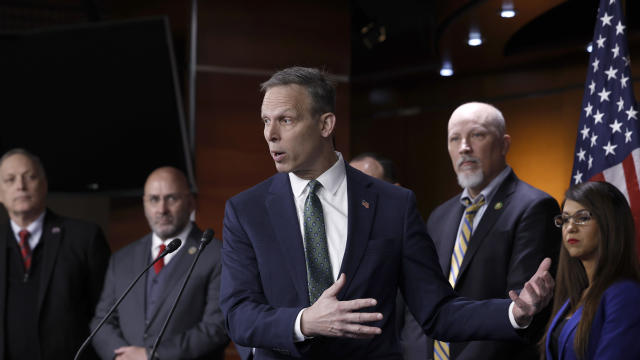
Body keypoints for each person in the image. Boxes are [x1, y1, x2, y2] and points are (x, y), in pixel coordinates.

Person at [219, 66, 554, 359]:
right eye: (266, 121)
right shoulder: (246, 210)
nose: (270, 134)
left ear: (325, 124)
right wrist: (305, 322)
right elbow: (238, 315)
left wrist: (513, 312)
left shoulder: (393, 204)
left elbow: (437, 311)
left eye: (285, 120)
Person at [400, 102, 561, 360]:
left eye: (477, 135)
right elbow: (419, 305)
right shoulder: (439, 215)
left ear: (504, 144)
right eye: (455, 139)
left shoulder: (535, 207)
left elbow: (522, 305)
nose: (464, 147)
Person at [91, 167, 228, 360]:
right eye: (154, 199)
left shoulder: (215, 254)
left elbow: (217, 326)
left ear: (190, 202)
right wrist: (121, 356)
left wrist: (152, 355)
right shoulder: (122, 259)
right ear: (144, 203)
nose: (162, 209)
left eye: (171, 198)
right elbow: (102, 321)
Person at [0, 148, 111, 360]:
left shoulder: (84, 238)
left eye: (29, 177)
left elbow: (107, 314)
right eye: (10, 180)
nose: (20, 186)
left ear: (44, 184)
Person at [541, 181, 640, 359]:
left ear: (609, 223)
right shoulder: (577, 293)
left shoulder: (625, 294)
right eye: (565, 219)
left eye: (583, 217)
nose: (570, 227)